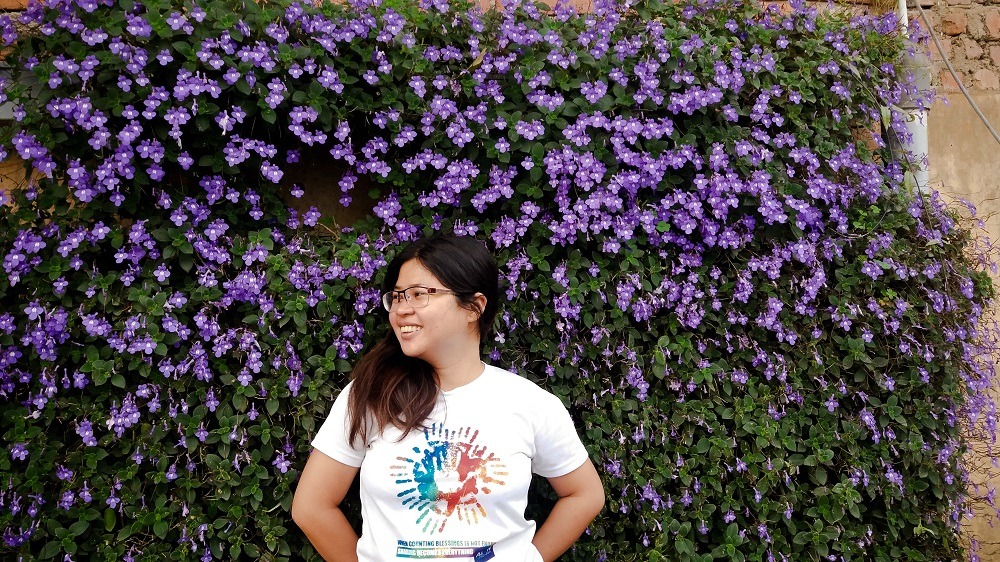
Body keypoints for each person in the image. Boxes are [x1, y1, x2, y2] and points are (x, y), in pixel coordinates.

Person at [292, 234, 605, 561]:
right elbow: (312, 506)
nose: (402, 309)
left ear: (473, 307)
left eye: (419, 294)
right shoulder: (370, 395)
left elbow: (584, 493)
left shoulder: (529, 403)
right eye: (397, 297)